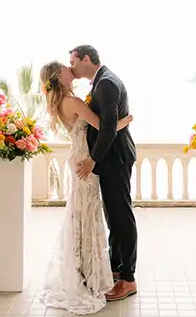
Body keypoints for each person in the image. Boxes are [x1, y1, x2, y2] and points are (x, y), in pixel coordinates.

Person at [39, 60, 133, 314]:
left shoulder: (60, 101)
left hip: (77, 156)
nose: (71, 69)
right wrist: (126, 120)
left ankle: (83, 269)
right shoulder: (74, 102)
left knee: (80, 212)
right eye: (66, 67)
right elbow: (104, 126)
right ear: (59, 75)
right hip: (85, 161)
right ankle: (90, 273)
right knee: (87, 214)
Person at [70, 45, 138, 303]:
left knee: (121, 214)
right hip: (111, 157)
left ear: (86, 59)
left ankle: (128, 279)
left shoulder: (106, 83)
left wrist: (92, 159)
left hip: (115, 157)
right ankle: (116, 267)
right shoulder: (102, 80)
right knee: (113, 214)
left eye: (74, 62)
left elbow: (109, 127)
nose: (72, 68)